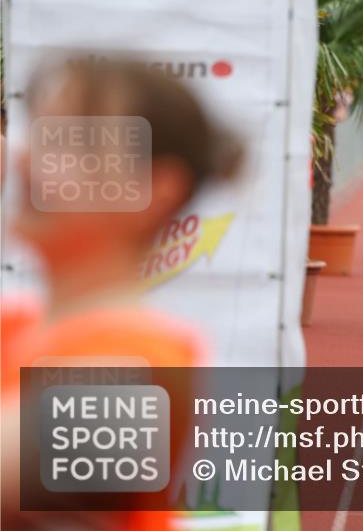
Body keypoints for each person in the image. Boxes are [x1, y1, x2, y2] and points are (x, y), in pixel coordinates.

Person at [2, 59, 241, 530]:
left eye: (76, 144)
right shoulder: (16, 324)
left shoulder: (143, 371)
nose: (27, 160)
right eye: (41, 134)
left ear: (156, 189)